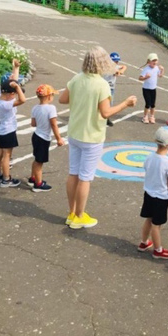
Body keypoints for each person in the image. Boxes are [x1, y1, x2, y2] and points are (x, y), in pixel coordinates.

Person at [59, 46, 137, 230]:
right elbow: (105, 112)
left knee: (73, 173)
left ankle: (72, 213)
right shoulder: (101, 84)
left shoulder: (77, 78)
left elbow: (62, 99)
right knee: (85, 177)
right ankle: (80, 216)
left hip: (75, 133)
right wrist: (126, 103)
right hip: (92, 136)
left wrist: (80, 99)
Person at [137, 126, 168, 259]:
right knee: (157, 224)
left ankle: (143, 243)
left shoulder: (149, 157)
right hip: (161, 196)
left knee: (149, 219)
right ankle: (158, 250)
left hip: (149, 193)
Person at [28, 84, 65, 192]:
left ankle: (33, 178)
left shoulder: (35, 108)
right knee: (39, 162)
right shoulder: (51, 108)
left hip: (36, 136)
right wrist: (59, 138)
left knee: (36, 158)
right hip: (43, 138)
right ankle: (38, 184)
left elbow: (33, 124)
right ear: (49, 96)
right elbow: (54, 124)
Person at [0, 73, 26, 187]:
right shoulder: (7, 104)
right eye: (14, 93)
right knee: (7, 155)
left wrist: (15, 70)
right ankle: (6, 179)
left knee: (0, 152)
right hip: (8, 131)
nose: (15, 96)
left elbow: (12, 85)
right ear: (10, 94)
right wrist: (17, 87)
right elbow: (22, 100)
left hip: (2, 130)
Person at [139, 52, 164, 124]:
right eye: (153, 60)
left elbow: (160, 75)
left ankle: (152, 116)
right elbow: (140, 78)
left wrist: (162, 70)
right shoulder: (146, 69)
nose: (154, 62)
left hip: (153, 89)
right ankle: (145, 116)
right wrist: (145, 77)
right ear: (149, 61)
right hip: (146, 89)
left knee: (153, 104)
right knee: (148, 103)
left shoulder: (157, 68)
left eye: (156, 60)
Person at [103, 51, 127, 127]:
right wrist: (119, 72)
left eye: (117, 61)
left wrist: (122, 70)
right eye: (114, 61)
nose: (116, 63)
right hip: (104, 88)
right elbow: (116, 72)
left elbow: (124, 66)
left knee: (110, 104)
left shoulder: (115, 66)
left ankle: (106, 119)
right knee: (102, 103)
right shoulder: (107, 67)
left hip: (111, 88)